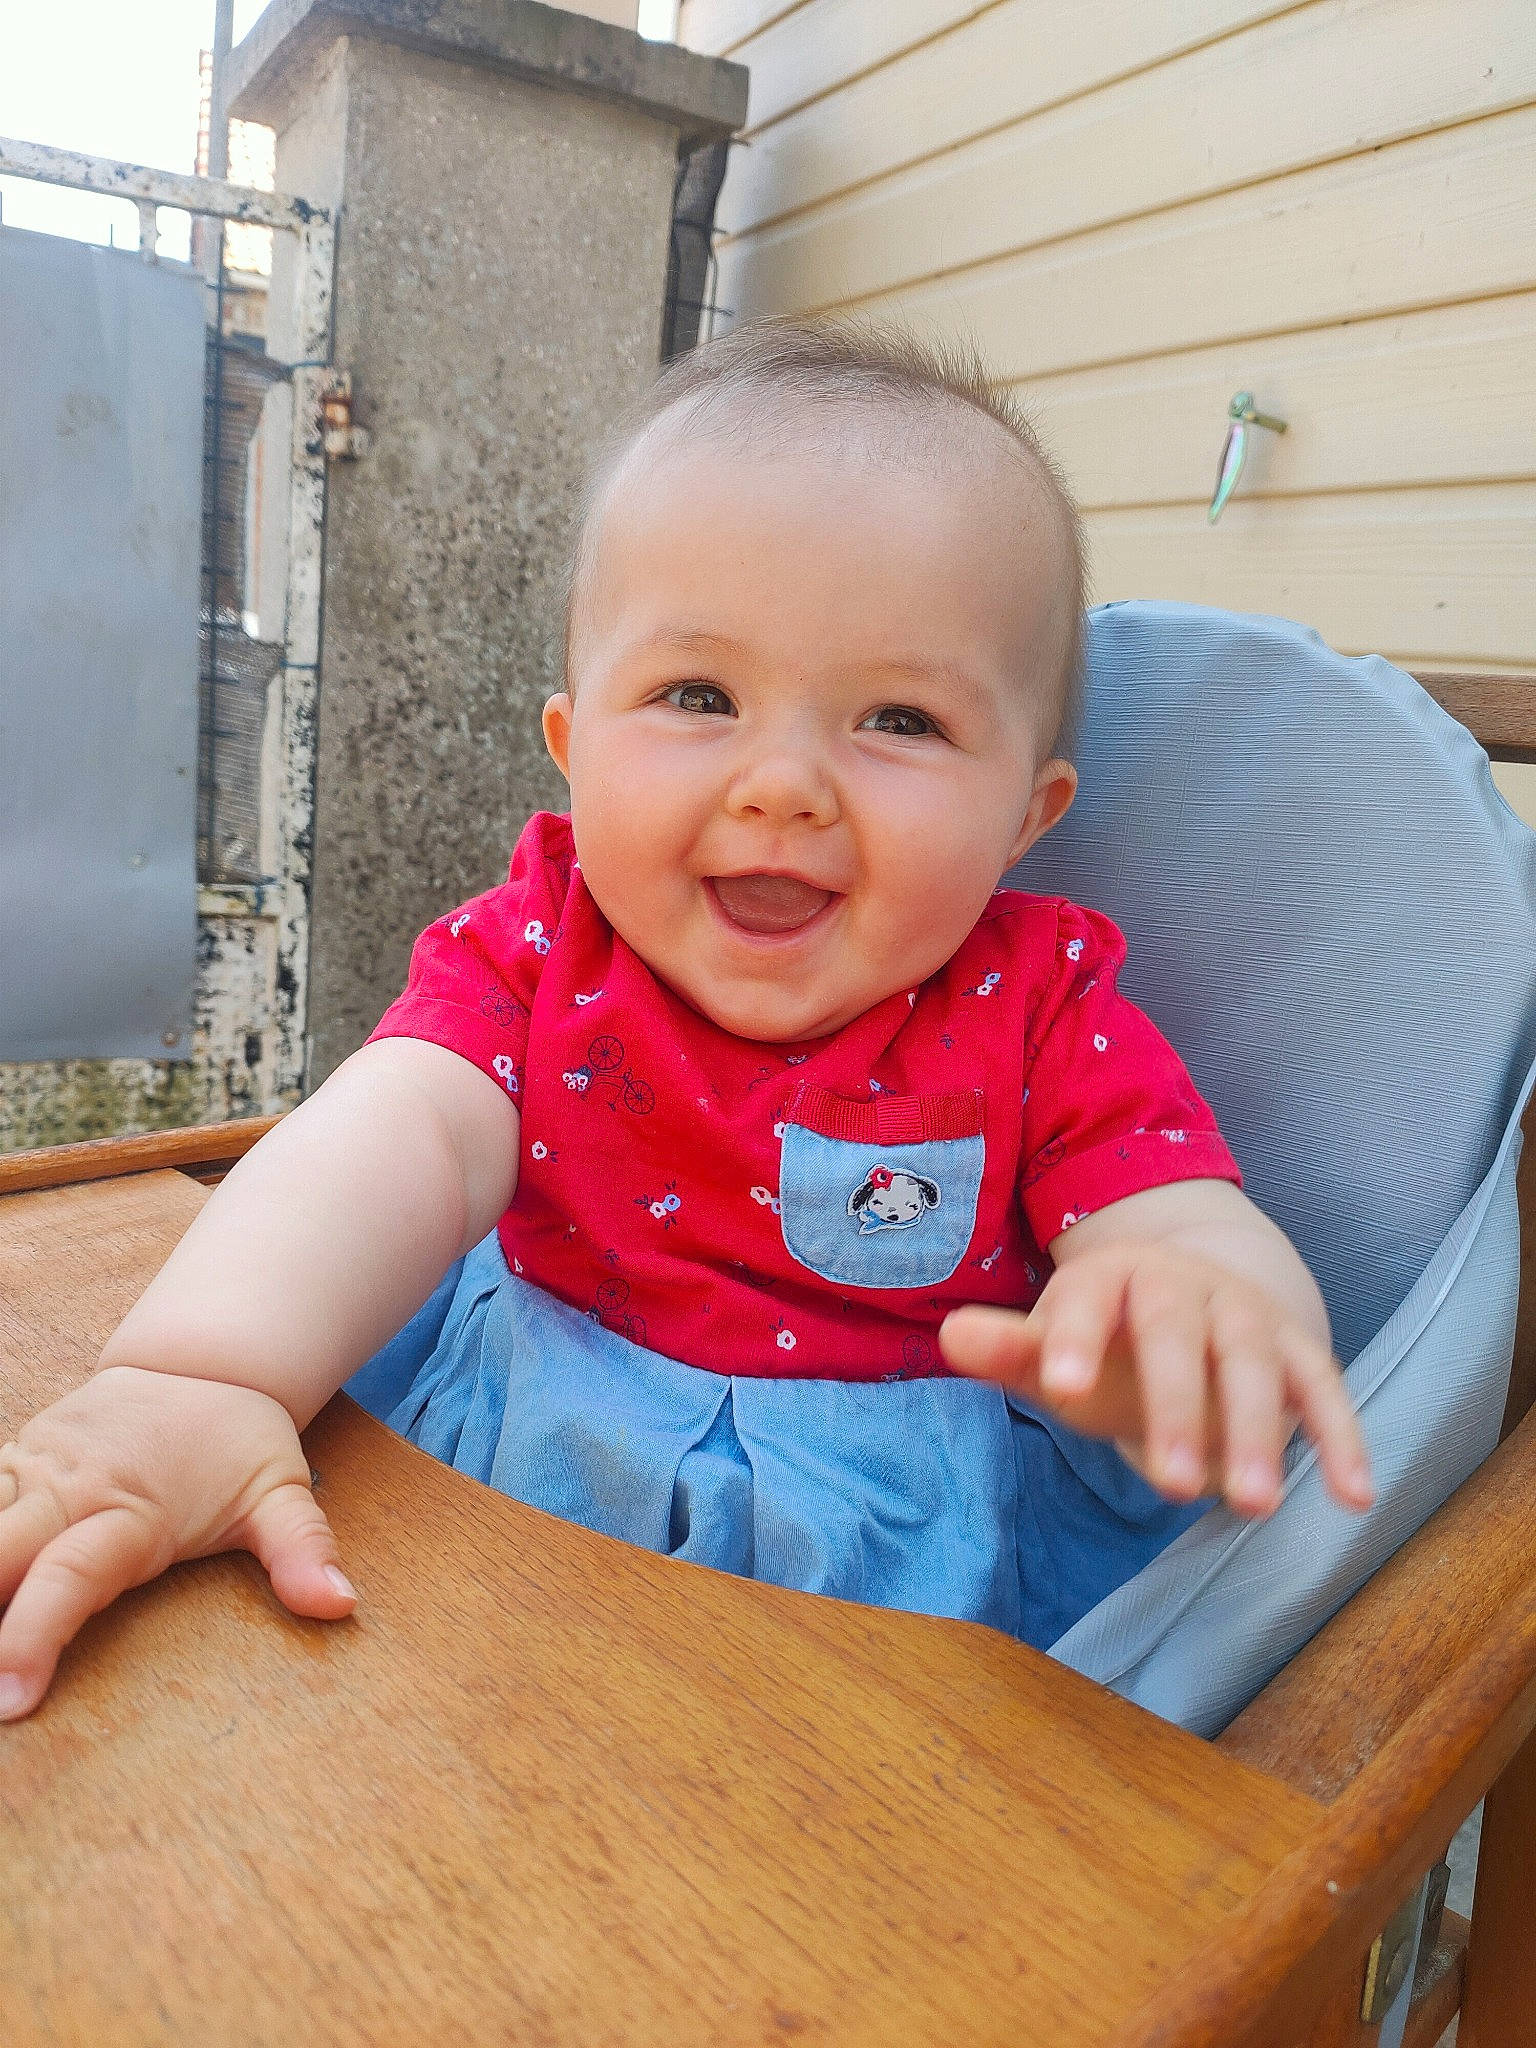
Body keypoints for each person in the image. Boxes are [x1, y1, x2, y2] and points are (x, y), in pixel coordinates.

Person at [0, 322, 1372, 1722]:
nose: (784, 784)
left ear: (1027, 814)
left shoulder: (1036, 1005)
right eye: (697, 696)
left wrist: (1204, 1304)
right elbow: (396, 1133)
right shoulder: (546, 944)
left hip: (868, 1589)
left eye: (898, 719)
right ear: (573, 743)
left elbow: (1168, 1214)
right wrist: (200, 1376)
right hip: (504, 1487)